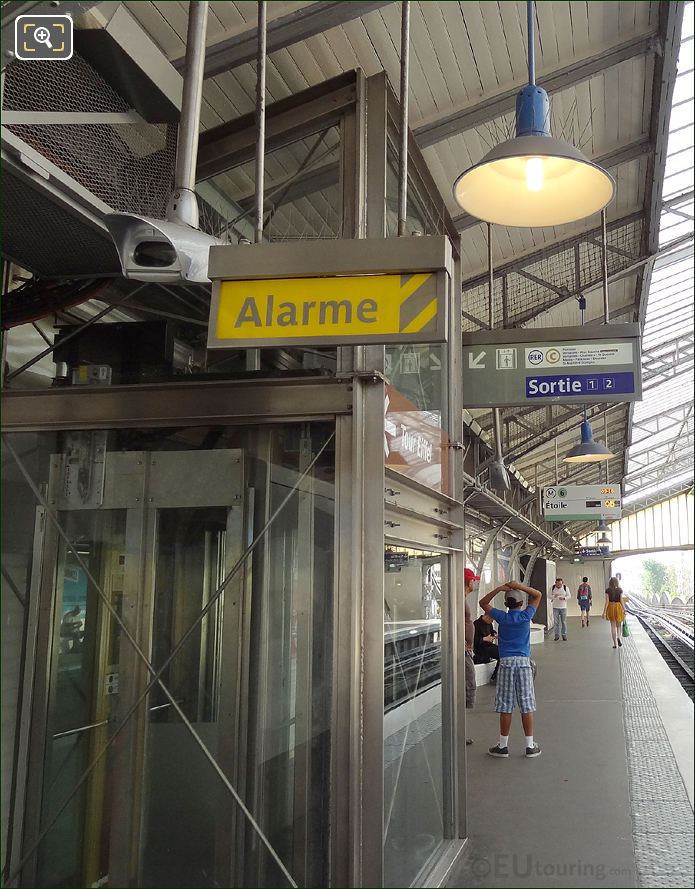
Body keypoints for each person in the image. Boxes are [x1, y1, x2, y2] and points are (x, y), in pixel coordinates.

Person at [479, 580, 542, 758]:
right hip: (523, 663)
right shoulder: (526, 615)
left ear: (506, 604)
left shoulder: (501, 616)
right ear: (522, 603)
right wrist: (520, 586)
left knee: (506, 705)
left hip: (505, 663)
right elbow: (538, 594)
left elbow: (482, 603)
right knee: (526, 704)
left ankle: (503, 746)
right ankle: (530, 746)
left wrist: (500, 589)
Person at [463, 567, 479, 746]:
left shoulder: (462, 599)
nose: (474, 582)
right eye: (473, 580)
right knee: (467, 686)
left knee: (466, 686)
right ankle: (458, 731)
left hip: (467, 649)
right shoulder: (459, 599)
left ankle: (459, 730)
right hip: (463, 650)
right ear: (468, 582)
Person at [473, 612, 499, 682]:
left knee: (503, 651)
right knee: (501, 653)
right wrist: (484, 639)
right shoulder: (475, 624)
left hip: (488, 646)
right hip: (480, 648)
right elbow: (473, 641)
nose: (492, 621)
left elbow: (491, 631)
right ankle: (495, 676)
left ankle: (496, 675)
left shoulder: (489, 623)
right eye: (492, 620)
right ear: (487, 617)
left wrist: (494, 634)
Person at [603, 577, 627, 649]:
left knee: (613, 626)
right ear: (617, 582)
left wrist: (604, 612)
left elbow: (607, 602)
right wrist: (624, 609)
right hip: (618, 607)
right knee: (618, 625)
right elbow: (621, 600)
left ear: (610, 583)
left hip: (611, 607)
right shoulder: (620, 590)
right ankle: (618, 637)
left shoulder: (607, 590)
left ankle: (614, 644)